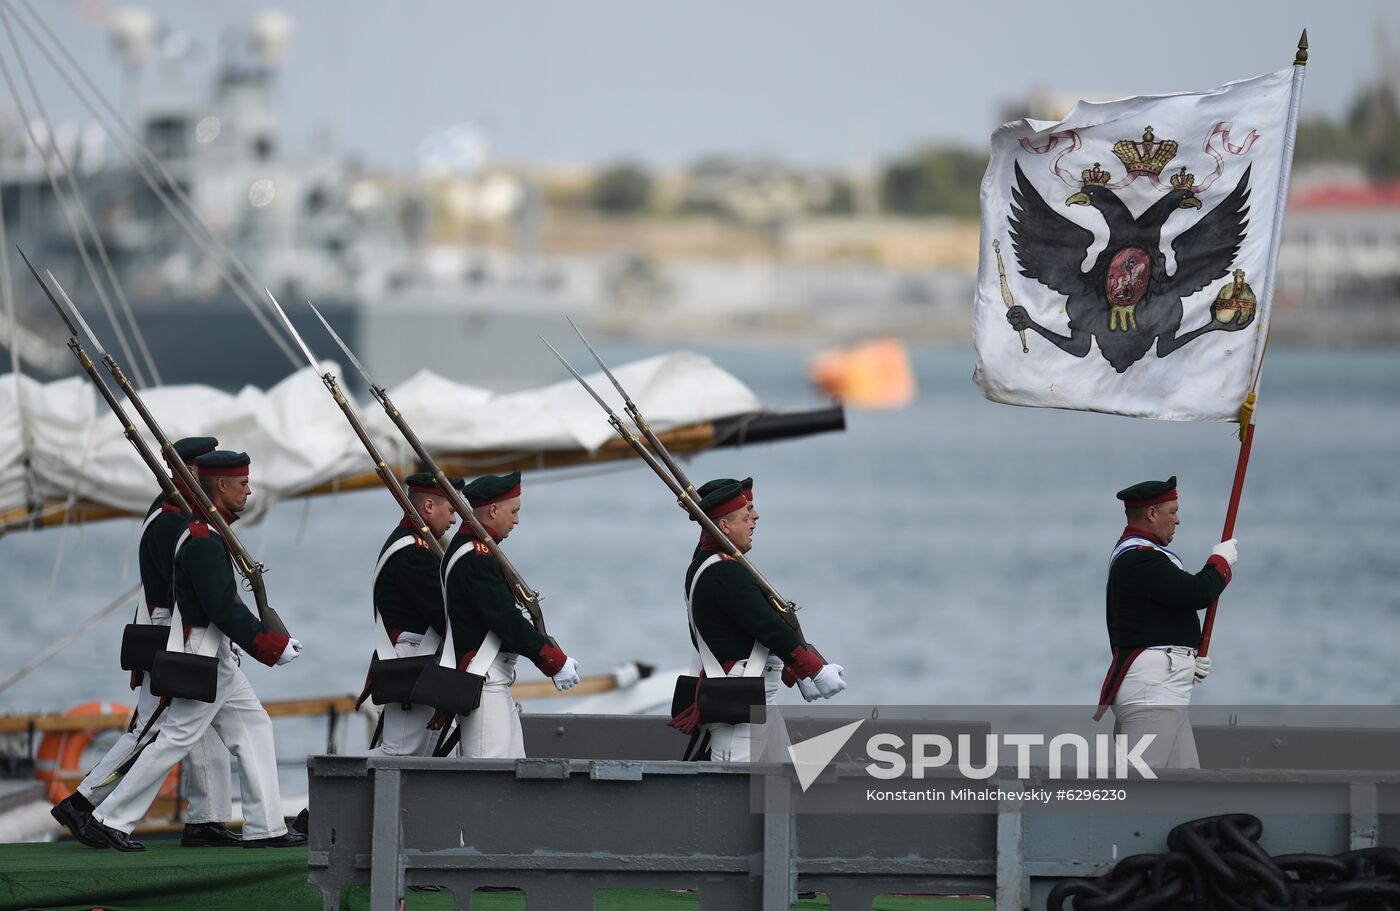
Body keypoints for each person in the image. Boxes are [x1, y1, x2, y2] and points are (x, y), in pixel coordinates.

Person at [87, 451, 305, 850]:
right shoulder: (204, 540)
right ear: (220, 486)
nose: (249, 490)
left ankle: (266, 827)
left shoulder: (206, 531)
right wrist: (272, 646)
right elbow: (222, 609)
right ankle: (108, 817)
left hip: (211, 654)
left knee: (255, 727)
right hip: (202, 654)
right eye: (242, 484)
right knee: (174, 738)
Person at [51, 436, 239, 849]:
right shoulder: (173, 520)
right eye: (199, 470)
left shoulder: (175, 513)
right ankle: (84, 803)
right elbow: (186, 589)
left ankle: (205, 819)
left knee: (190, 729)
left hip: (175, 632)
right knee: (152, 729)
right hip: (174, 635)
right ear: (184, 471)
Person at [680, 478, 846, 762]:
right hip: (741, 702)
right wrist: (815, 671)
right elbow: (768, 627)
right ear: (724, 527)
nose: (754, 520)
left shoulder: (714, 563)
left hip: (754, 697)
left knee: (782, 785)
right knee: (738, 792)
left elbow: (756, 632)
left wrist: (795, 673)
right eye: (746, 516)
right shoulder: (724, 572)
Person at [1094, 476, 1239, 770]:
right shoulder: (1139, 558)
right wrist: (1219, 562)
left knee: (1186, 784)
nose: (1178, 520)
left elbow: (1163, 615)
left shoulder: (1143, 557)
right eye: (1172, 511)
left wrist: (1189, 655)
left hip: (1165, 684)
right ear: (1151, 514)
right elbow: (1197, 593)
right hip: (1154, 688)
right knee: (1140, 786)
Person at [438, 471, 580, 759]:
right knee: (487, 775)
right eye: (513, 511)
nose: (516, 520)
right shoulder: (476, 557)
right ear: (493, 510)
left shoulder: (475, 550)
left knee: (509, 766)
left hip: (491, 676)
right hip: (483, 676)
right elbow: (506, 621)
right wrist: (553, 660)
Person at [365, 472, 463, 757]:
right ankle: (332, 787)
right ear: (429, 507)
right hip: (413, 658)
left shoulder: (418, 546)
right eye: (451, 510)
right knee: (399, 755)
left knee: (421, 758)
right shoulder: (413, 552)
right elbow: (443, 615)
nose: (454, 520)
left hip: (421, 659)